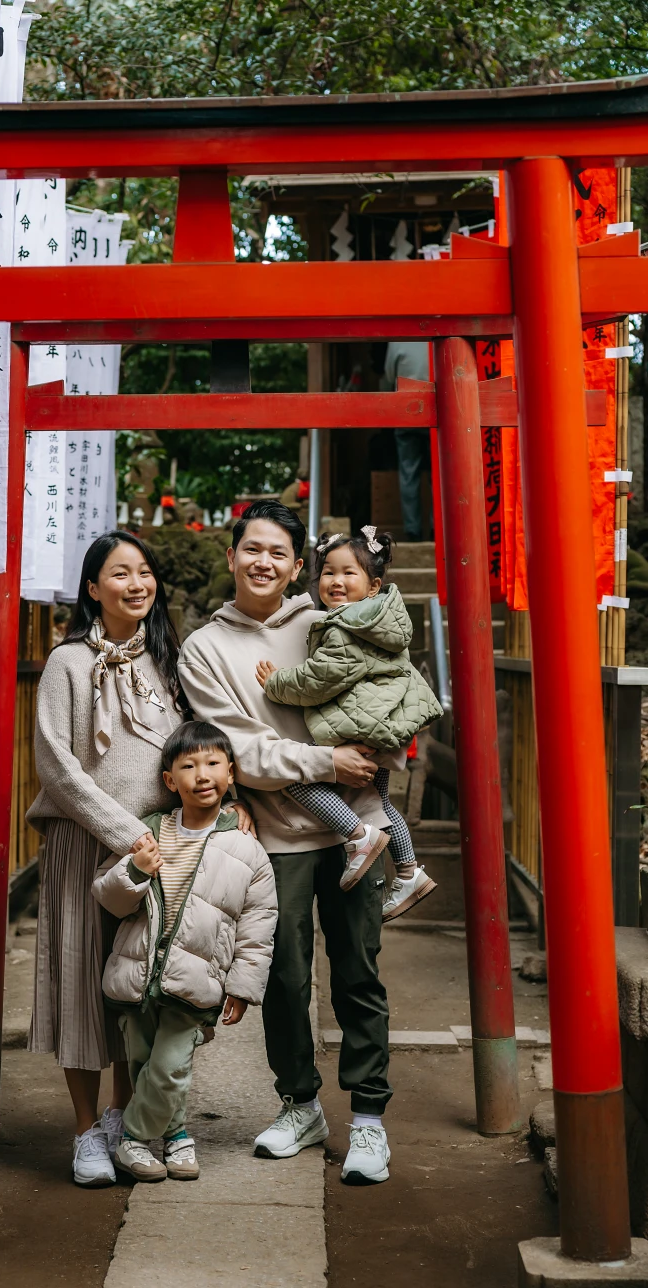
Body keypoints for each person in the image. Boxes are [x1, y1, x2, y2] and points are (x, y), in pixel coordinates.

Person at [177, 499, 400, 1184]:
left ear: (296, 565)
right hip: (274, 835)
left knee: (358, 970)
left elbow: (379, 689)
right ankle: (298, 1103)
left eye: (278, 553)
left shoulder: (328, 621)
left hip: (356, 823)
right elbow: (236, 751)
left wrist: (369, 745)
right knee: (281, 976)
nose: (263, 562)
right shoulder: (204, 647)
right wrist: (322, 762)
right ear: (231, 556)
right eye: (252, 549)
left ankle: (367, 1117)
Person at [27, 531, 253, 1189]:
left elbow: (193, 747)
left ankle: (134, 1120)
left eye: (144, 572)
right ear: (93, 588)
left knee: (139, 988)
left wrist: (206, 814)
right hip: (87, 845)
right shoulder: (67, 662)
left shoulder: (166, 659)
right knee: (80, 986)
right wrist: (125, 832)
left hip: (161, 849)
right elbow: (56, 766)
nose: (136, 583)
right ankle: (83, 1131)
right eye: (119, 573)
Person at [92, 721, 277, 1183]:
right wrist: (134, 872)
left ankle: (132, 1139)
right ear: (170, 781)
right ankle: (176, 1136)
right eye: (189, 766)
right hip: (137, 975)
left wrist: (243, 987)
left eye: (213, 763)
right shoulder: (150, 832)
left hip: (194, 981)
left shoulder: (246, 849)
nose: (202, 774)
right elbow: (108, 897)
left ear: (231, 774)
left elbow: (258, 926)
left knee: (171, 1066)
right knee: (143, 1063)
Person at [257, 527, 443, 922]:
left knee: (295, 779)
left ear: (373, 585)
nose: (336, 581)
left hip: (364, 726)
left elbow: (322, 678)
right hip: (386, 721)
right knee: (379, 800)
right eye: (328, 572)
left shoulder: (345, 626)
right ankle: (409, 873)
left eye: (348, 573)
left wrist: (277, 683)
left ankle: (360, 836)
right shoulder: (382, 618)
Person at [384, 340, 431, 541]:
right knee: (439, 474)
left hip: (406, 411)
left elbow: (388, 375)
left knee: (408, 473)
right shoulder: (436, 333)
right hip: (436, 408)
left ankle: (413, 530)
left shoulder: (398, 339)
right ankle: (439, 527)